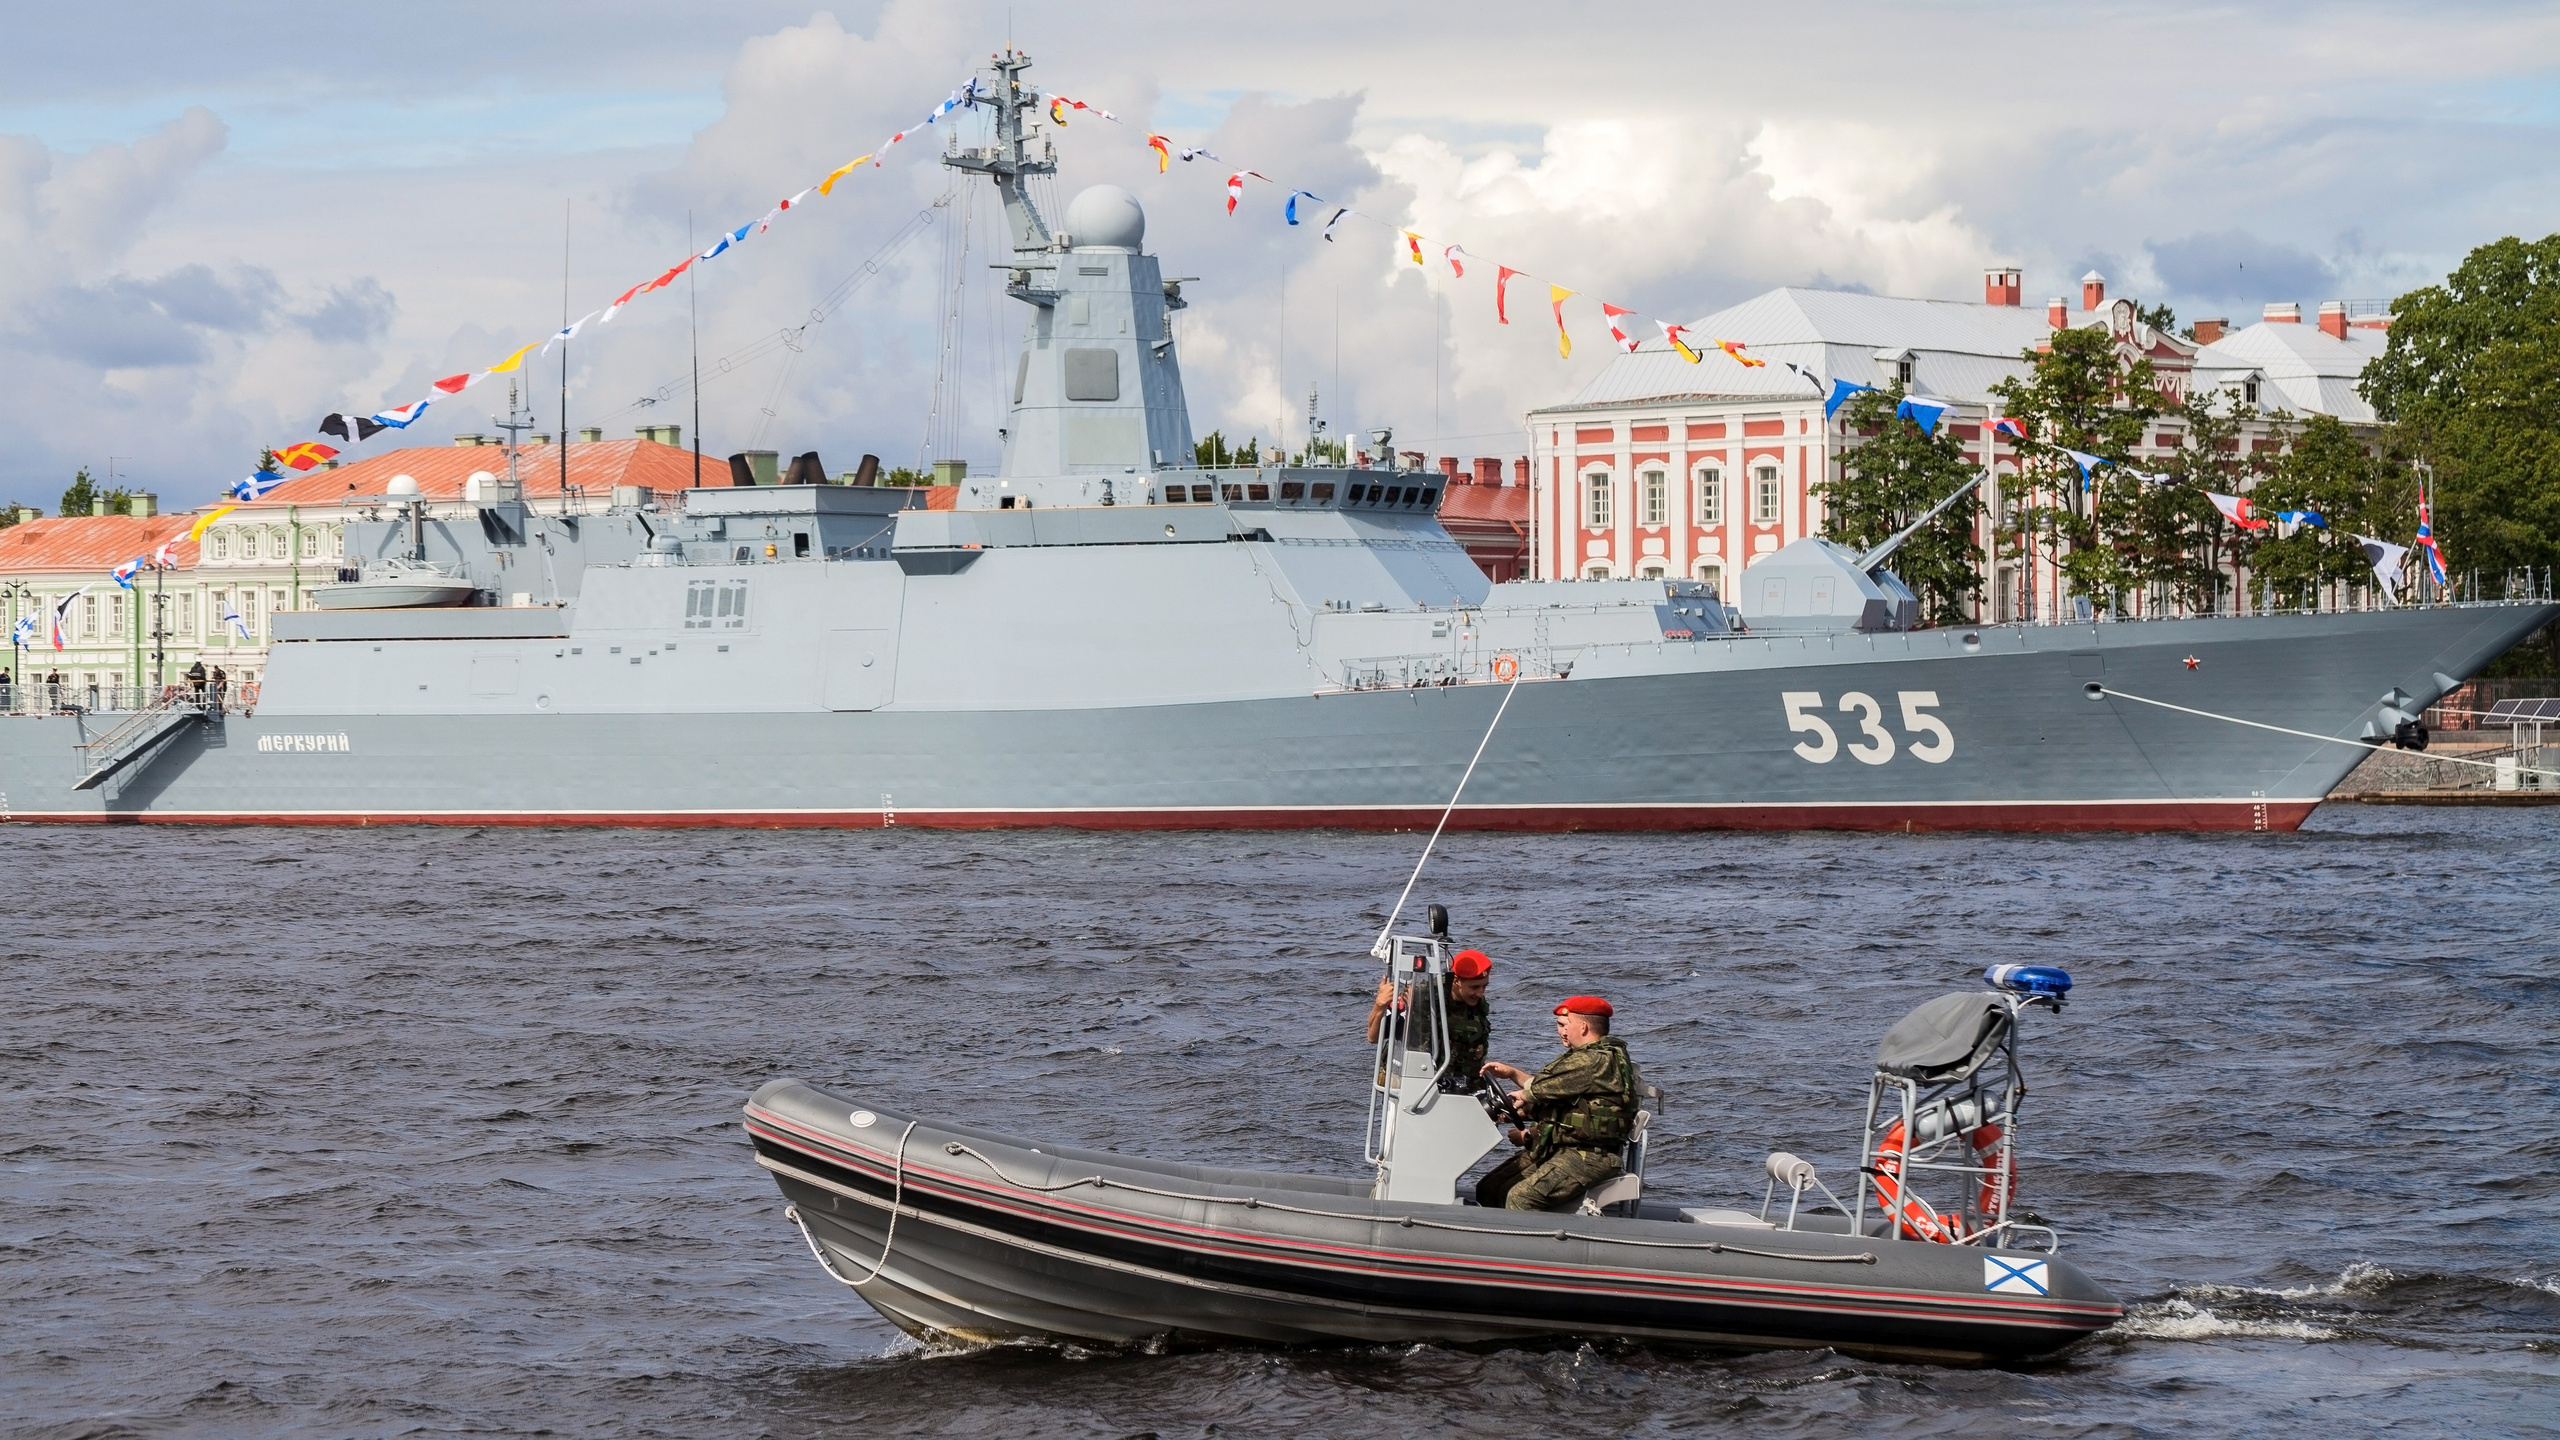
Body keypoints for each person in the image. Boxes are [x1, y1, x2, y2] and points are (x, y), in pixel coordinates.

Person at [1474, 995, 1640, 1212]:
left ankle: (1527, 1244)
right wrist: (1514, 1077)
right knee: (1490, 1187)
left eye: (1563, 1025)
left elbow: (1538, 1090)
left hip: (1589, 1156)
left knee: (1520, 1198)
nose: (1560, 1031)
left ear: (1582, 1027)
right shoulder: (1588, 1058)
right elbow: (1553, 1091)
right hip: (1566, 1148)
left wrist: (1522, 1099)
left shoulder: (1593, 1061)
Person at [1365, 948, 1493, 1092]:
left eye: (1484, 986)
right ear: (1456, 981)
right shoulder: (1422, 996)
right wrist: (1380, 1004)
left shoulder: (1477, 1005)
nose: (1481, 993)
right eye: (1475, 987)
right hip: (1417, 1085)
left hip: (1457, 1086)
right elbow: (1373, 1037)